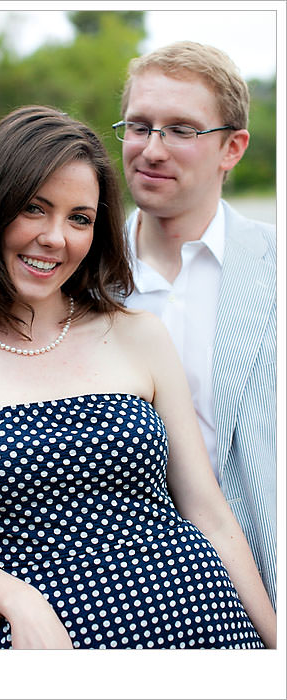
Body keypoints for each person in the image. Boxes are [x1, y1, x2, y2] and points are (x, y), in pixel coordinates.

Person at [0, 105, 275, 649]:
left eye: (79, 218)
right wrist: (15, 598)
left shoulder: (139, 334)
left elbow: (209, 514)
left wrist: (276, 645)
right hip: (51, 642)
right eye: (33, 208)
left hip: (204, 622)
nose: (55, 238)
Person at [114, 41, 275, 608]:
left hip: (263, 582)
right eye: (140, 126)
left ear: (232, 148)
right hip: (110, 596)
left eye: (181, 130)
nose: (152, 150)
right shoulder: (77, 275)